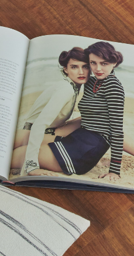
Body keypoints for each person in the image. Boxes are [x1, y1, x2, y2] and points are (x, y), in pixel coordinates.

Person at [10, 47, 88, 176]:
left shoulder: (73, 86)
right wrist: (32, 166)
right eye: (74, 67)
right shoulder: (66, 89)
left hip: (45, 131)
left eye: (85, 66)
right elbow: (39, 124)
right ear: (66, 69)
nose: (81, 72)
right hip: (31, 134)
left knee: (88, 119)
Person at [61, 41, 127, 184]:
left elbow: (117, 131)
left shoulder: (113, 87)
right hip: (80, 137)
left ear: (114, 63)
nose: (98, 69)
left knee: (23, 153)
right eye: (93, 63)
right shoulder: (91, 82)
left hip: (90, 147)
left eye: (104, 63)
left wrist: (114, 170)